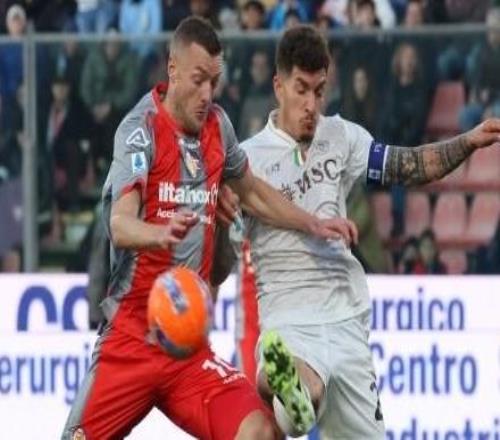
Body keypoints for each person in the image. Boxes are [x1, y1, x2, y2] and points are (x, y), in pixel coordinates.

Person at [61, 17, 353, 440]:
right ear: (173, 70)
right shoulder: (139, 131)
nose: (207, 95)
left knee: (262, 432)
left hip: (188, 350)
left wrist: (313, 222)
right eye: (198, 80)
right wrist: (159, 233)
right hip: (131, 340)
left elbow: (253, 192)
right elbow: (120, 224)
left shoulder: (218, 126)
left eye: (214, 82)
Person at [213, 25, 500, 438]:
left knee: (322, 418)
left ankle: (290, 396)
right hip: (290, 317)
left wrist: (467, 142)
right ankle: (283, 382)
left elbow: (410, 167)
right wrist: (223, 225)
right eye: (301, 89)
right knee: (305, 395)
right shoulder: (247, 162)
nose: (311, 104)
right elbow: (222, 265)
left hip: (347, 321)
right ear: (278, 86)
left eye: (319, 91)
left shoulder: (342, 136)